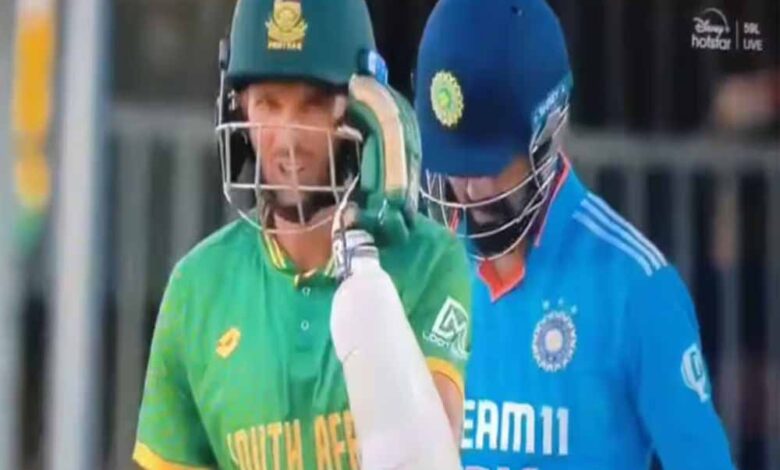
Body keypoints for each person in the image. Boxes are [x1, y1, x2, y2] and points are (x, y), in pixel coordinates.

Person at [133, 0, 471, 468]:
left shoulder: (428, 261)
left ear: (366, 111)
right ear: (238, 108)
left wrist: (364, 262)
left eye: (312, 104)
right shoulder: (197, 289)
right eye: (268, 105)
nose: (288, 140)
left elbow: (424, 457)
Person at [414, 0, 736, 468]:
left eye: (490, 164)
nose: (471, 190)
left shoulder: (637, 287)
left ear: (548, 131)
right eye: (454, 164)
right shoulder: (421, 274)